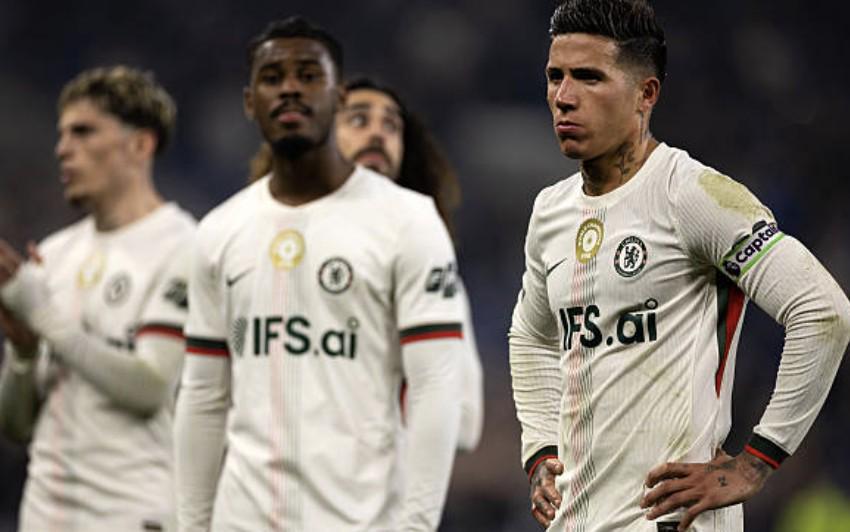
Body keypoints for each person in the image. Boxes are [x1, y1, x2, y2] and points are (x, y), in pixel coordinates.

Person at [508, 1, 850, 531]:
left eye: (589, 77)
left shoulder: (692, 194)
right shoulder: (550, 211)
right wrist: (540, 450)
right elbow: (531, 335)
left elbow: (822, 310)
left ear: (646, 94)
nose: (564, 97)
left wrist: (756, 461)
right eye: (556, 76)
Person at [174, 17, 464, 531]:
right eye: (272, 78)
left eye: (309, 75)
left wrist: (416, 526)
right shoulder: (218, 231)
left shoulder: (409, 221)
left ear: (339, 96)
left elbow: (436, 387)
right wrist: (192, 526)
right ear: (250, 102)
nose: (290, 88)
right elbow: (202, 396)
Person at [0, 66, 195, 531]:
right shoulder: (54, 255)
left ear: (140, 145)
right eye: (62, 134)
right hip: (44, 518)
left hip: (131, 516)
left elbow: (149, 387)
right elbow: (16, 426)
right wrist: (23, 352)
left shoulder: (184, 247)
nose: (62, 149)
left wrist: (42, 315)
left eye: (83, 132)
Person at [248, 76, 484, 452]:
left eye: (391, 125)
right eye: (358, 119)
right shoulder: (255, 249)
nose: (377, 133)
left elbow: (465, 422)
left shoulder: (425, 264)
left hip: (377, 483)